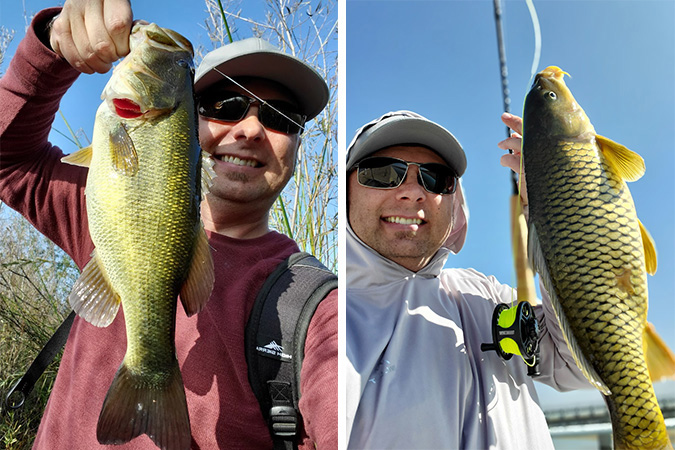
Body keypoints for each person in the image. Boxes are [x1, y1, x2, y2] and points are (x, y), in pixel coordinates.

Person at [0, 1, 336, 449]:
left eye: (280, 117)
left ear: (296, 145)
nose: (251, 129)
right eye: (226, 105)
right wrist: (51, 48)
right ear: (191, 122)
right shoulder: (97, 210)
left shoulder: (318, 308)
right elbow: (8, 161)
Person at [345, 110, 591, 449]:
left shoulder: (484, 294)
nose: (413, 192)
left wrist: (557, 221)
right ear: (344, 192)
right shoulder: (327, 323)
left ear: (455, 202)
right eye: (383, 173)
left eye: (436, 179)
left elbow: (577, 366)